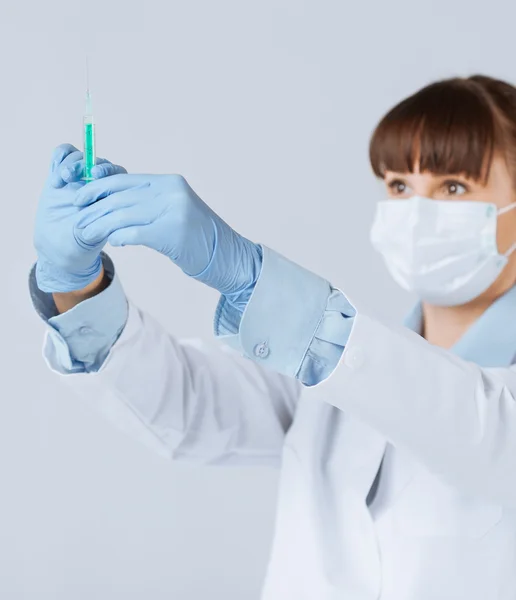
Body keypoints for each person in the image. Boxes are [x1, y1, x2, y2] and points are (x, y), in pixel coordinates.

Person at [31, 74, 516, 600]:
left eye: (453, 187)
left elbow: (474, 427)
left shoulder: (436, 388)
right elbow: (185, 405)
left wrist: (250, 277)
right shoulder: (337, 378)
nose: (415, 214)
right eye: (400, 186)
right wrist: (76, 288)